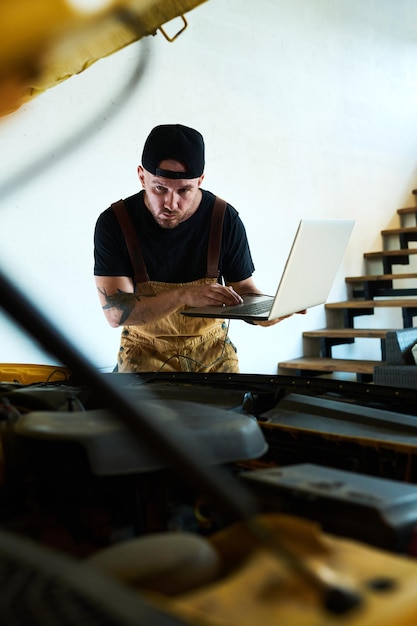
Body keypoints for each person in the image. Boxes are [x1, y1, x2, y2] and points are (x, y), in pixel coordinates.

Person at [94, 123, 288, 374]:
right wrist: (185, 296)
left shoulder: (224, 218)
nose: (170, 203)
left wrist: (267, 313)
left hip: (213, 353)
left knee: (232, 414)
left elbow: (244, 289)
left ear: (200, 181)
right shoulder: (116, 222)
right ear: (142, 176)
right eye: (159, 188)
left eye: (184, 190)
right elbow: (117, 314)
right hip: (143, 353)